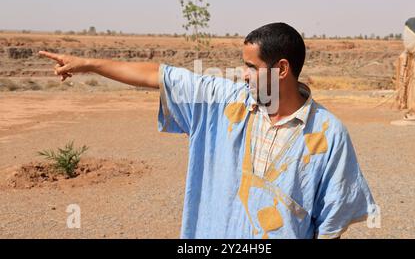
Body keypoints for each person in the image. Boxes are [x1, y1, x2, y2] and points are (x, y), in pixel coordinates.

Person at [39, 22, 377, 239]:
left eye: (250, 67)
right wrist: (90, 64)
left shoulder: (328, 134)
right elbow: (159, 75)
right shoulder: (224, 103)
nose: (243, 75)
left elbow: (331, 223)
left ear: (282, 69)